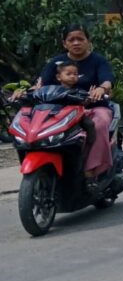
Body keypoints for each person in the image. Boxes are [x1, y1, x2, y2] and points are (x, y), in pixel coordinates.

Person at [18, 24, 116, 180]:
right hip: (60, 110)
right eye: (71, 40)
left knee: (99, 124)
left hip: (93, 107)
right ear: (65, 43)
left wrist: (101, 89)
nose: (76, 43)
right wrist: (24, 92)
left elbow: (107, 80)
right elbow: (41, 84)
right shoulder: (56, 62)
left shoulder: (98, 61)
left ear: (88, 41)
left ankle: (92, 169)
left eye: (80, 39)